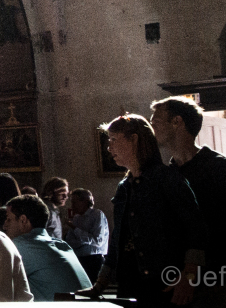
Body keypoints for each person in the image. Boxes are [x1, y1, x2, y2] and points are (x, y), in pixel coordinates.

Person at [82, 114, 205, 308]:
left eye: (114, 140)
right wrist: (99, 285)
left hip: (166, 285)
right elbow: (118, 240)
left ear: (135, 140)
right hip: (130, 283)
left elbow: (195, 230)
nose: (109, 147)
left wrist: (188, 277)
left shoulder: (167, 179)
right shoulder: (124, 187)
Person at [150, 96, 226, 303]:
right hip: (174, 281)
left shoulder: (221, 168)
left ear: (177, 122)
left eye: (156, 121)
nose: (151, 125)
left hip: (216, 282)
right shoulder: (166, 174)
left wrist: (211, 266)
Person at [5, 193, 89, 301]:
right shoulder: (62, 244)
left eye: (9, 219)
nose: (4, 225)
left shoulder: (20, 245)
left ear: (23, 220)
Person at [63, 188, 109, 277]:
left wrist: (74, 228)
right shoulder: (76, 218)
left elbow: (97, 241)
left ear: (85, 201)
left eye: (74, 202)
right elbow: (70, 241)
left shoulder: (97, 215)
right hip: (78, 259)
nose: (72, 206)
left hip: (93, 260)